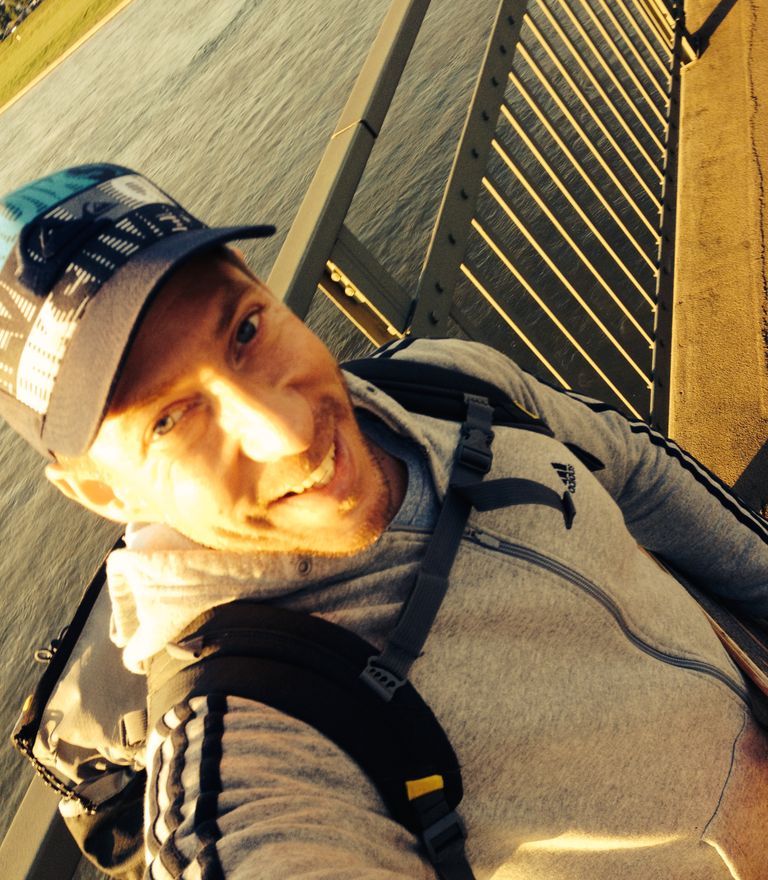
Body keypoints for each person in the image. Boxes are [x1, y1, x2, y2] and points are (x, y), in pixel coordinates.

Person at [3, 162, 768, 880]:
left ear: (264, 287)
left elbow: (635, 468)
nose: (287, 430)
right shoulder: (248, 745)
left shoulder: (445, 381)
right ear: (100, 491)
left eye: (245, 331)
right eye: (169, 421)